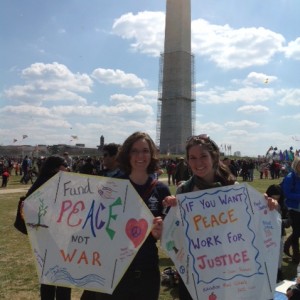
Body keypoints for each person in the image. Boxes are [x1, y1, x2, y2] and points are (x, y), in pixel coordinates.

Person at [162, 134, 279, 300]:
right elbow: (173, 235)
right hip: (197, 272)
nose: (198, 162)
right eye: (192, 158)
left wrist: (269, 205)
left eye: (203, 156)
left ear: (214, 157)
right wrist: (171, 216)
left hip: (232, 267)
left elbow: (258, 221)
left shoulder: (235, 190)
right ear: (187, 161)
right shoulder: (183, 192)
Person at [82, 132, 171, 300]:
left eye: (145, 150)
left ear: (152, 154)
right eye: (134, 151)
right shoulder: (111, 188)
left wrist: (161, 231)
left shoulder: (161, 191)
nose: (140, 156)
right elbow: (94, 228)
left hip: (147, 271)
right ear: (127, 154)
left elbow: (169, 237)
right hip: (114, 270)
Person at [15, 156, 71, 300]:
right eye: (65, 165)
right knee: (63, 275)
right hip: (57, 234)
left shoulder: (41, 181)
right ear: (57, 167)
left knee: (48, 275)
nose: (67, 168)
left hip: (43, 235)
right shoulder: (54, 182)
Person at [282, 156, 300, 264]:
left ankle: (287, 245)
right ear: (295, 165)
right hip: (293, 208)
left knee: (298, 232)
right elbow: (287, 193)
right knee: (297, 232)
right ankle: (296, 256)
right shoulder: (290, 177)